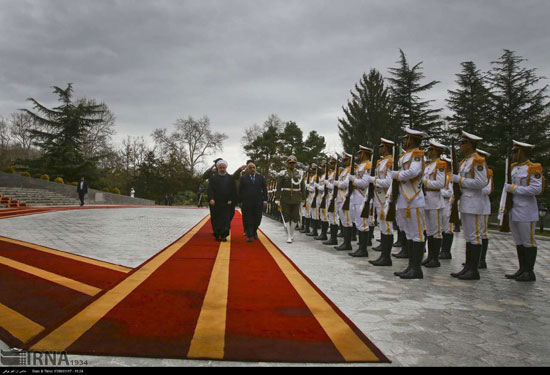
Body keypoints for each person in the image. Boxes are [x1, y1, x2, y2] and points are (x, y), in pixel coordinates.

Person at [502, 141, 544, 282]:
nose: (513, 155)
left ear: (521, 152)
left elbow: (536, 189)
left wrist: (513, 188)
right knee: (518, 241)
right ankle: (522, 269)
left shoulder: (533, 168)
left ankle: (529, 272)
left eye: (515, 152)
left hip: (526, 210)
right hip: (514, 209)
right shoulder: (513, 168)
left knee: (528, 241)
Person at [450, 131, 489, 281]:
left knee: (474, 236)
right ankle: (468, 267)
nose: (460, 146)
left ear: (470, 144)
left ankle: (473, 269)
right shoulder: (465, 161)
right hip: (466, 201)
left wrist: (459, 180)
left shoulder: (478, 161)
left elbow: (481, 183)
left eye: (463, 143)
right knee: (468, 236)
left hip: (474, 201)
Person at [389, 128, 427, 280]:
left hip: (414, 198)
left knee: (417, 235)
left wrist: (396, 175)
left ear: (412, 140)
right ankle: (411, 266)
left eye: (407, 138)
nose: (405, 140)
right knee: (410, 234)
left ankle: (416, 269)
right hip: (404, 198)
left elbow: (414, 172)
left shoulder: (417, 154)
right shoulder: (406, 155)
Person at [421, 140, 448, 268]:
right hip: (426, 201)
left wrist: (425, 183)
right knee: (430, 231)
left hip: (435, 201)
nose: (428, 152)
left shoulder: (440, 164)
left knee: (436, 231)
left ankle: (435, 259)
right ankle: (430, 257)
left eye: (431, 150)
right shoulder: (428, 165)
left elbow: (440, 184)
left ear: (436, 151)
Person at [369, 138, 395, 267]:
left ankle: (386, 257)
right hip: (379, 196)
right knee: (383, 227)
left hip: (385, 197)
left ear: (386, 148)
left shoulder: (390, 161)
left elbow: (389, 181)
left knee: (387, 227)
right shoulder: (381, 162)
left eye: (381, 146)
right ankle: (383, 255)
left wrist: (373, 181)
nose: (380, 149)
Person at [348, 146, 373, 257]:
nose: (358, 155)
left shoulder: (368, 165)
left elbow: (364, 183)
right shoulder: (360, 166)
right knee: (358, 223)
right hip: (356, 196)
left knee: (363, 224)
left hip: (363, 197)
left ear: (364, 154)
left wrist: (352, 180)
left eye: (360, 153)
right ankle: (360, 248)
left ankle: (363, 250)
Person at [275, 155, 306, 243]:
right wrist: (277, 198)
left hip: (296, 197)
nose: (292, 164)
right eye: (290, 163)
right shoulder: (282, 173)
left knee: (295, 217)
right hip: (285, 197)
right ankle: (288, 235)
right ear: (287, 164)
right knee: (286, 216)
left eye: (293, 163)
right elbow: (279, 186)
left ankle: (291, 232)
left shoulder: (300, 173)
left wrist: (304, 198)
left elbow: (303, 187)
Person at [208, 160, 237, 242]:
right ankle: (217, 234)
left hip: (226, 203)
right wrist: (211, 198)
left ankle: (224, 235)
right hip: (216, 203)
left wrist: (231, 199)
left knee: (226, 219)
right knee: (216, 219)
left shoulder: (230, 178)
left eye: (223, 167)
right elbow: (210, 190)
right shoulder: (213, 178)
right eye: (220, 167)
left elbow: (233, 190)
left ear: (226, 168)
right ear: (218, 168)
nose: (222, 169)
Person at [239, 162, 268, 242]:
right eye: (250, 168)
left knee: (258, 218)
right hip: (247, 202)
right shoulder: (243, 178)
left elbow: (265, 189)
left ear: (255, 168)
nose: (252, 169)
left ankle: (254, 230)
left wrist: (265, 200)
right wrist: (240, 201)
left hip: (258, 202)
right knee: (249, 218)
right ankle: (250, 235)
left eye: (253, 167)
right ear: (247, 169)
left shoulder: (261, 177)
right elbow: (240, 190)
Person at [477, 149, 494, 269]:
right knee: (474, 233)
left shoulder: (488, 173)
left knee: (482, 233)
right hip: (472, 204)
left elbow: (488, 190)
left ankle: (481, 260)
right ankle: (473, 259)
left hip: (482, 206)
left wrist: (472, 188)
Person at [439, 155, 455, 259]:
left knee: (447, 228)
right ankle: (442, 250)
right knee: (440, 227)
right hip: (441, 203)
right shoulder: (442, 176)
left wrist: (438, 191)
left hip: (447, 203)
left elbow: (450, 192)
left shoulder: (450, 177)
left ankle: (446, 251)